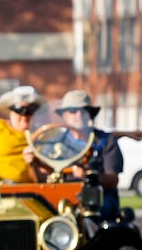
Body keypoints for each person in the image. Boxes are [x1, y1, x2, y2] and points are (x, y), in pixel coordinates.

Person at [53, 89, 123, 219]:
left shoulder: (106, 140)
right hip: (63, 197)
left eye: (84, 110)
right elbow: (45, 174)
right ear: (64, 115)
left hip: (98, 198)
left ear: (90, 114)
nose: (78, 115)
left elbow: (112, 180)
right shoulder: (55, 142)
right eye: (73, 111)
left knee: (88, 217)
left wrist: (88, 176)